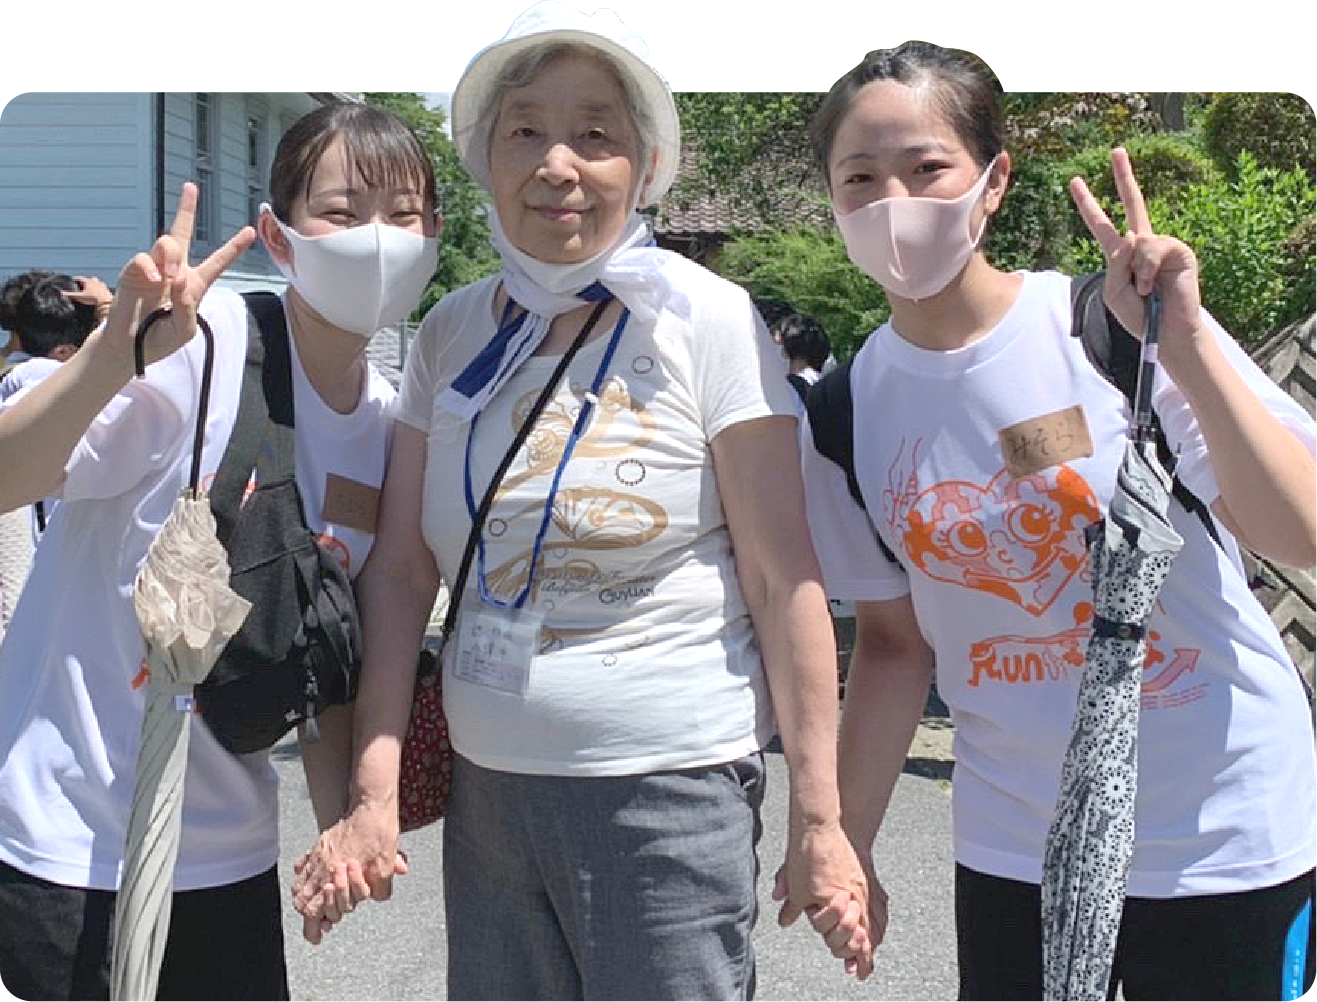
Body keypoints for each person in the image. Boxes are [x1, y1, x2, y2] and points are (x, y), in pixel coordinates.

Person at [291, 2, 873, 997]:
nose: (557, 165)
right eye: (525, 130)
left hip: (667, 789)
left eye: (595, 134)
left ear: (646, 166)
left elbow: (784, 581)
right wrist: (371, 792)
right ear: (486, 159)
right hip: (488, 792)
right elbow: (401, 573)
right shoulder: (449, 334)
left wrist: (822, 821)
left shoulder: (708, 319)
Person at [800, 40, 1317, 1002]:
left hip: (1218, 827)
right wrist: (848, 840)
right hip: (1015, 840)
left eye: (926, 168)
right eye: (859, 179)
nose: (893, 203)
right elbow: (893, 647)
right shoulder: (844, 410)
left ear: (992, 181)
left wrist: (1183, 342)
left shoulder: (1112, 324)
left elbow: (1302, 534)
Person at [0, 99, 439, 1002]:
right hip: (70, 841)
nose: (378, 240)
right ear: (279, 237)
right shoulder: (197, 346)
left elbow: (323, 655)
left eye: (405, 216)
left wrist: (344, 828)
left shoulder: (388, 424)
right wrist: (115, 355)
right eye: (343, 211)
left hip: (228, 856)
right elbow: (13, 476)